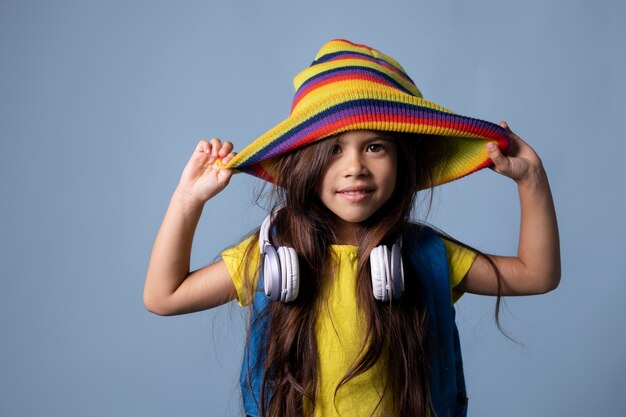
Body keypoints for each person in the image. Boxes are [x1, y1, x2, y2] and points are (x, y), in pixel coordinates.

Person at [143, 39, 560, 417]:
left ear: (403, 162)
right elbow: (164, 296)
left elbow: (537, 275)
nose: (355, 167)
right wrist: (188, 199)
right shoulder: (275, 256)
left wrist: (532, 179)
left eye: (375, 147)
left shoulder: (427, 257)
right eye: (334, 149)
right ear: (304, 164)